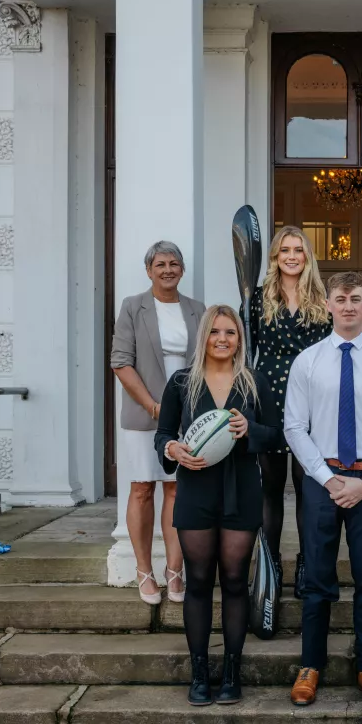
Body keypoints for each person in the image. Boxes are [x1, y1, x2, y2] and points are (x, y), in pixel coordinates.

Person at [284, 271, 362, 708]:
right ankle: (310, 665)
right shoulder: (308, 361)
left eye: (357, 299)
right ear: (330, 305)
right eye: (342, 299)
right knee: (317, 578)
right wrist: (328, 478)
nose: (350, 306)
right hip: (323, 479)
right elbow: (295, 428)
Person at [155, 305, 281, 706]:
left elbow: (277, 435)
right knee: (197, 582)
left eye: (231, 332)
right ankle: (198, 673)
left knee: (233, 582)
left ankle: (230, 671)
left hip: (241, 488)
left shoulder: (254, 382)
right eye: (215, 332)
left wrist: (251, 431)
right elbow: (163, 435)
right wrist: (172, 448)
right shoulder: (180, 383)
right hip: (195, 489)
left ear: (240, 339)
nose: (223, 339)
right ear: (203, 337)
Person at [111, 240, 205, 605]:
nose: (168, 269)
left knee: (177, 490)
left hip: (187, 415)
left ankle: (174, 571)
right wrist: (154, 406)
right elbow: (121, 362)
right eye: (160, 263)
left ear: (182, 269)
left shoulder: (198, 310)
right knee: (142, 489)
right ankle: (144, 570)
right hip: (143, 414)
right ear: (149, 270)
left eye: (174, 263)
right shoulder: (133, 307)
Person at [249, 226, 332, 599]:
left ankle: (305, 563)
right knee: (269, 487)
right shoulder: (256, 297)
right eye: (285, 250)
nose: (292, 256)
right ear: (275, 256)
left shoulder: (322, 296)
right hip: (267, 397)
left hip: (309, 398)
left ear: (307, 255)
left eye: (299, 249)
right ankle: (270, 564)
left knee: (305, 486)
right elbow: (246, 348)